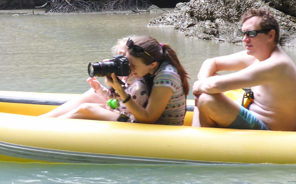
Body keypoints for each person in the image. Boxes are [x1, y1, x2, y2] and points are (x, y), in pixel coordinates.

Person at [192, 8, 296, 131]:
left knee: (207, 98)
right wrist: (202, 85)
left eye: (251, 33)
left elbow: (215, 86)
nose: (244, 39)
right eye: (243, 33)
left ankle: (199, 143)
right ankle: (197, 135)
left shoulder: (277, 65)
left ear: (270, 35)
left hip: (270, 133)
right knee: (208, 84)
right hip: (251, 116)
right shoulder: (258, 56)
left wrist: (199, 87)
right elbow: (211, 62)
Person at [42, 36, 190, 125]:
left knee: (87, 109)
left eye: (133, 66)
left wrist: (120, 90)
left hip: (156, 129)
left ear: (152, 65)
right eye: (128, 63)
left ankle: (41, 130)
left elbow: (149, 118)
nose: (130, 69)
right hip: (139, 117)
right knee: (91, 95)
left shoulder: (166, 75)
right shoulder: (149, 64)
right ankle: (40, 121)